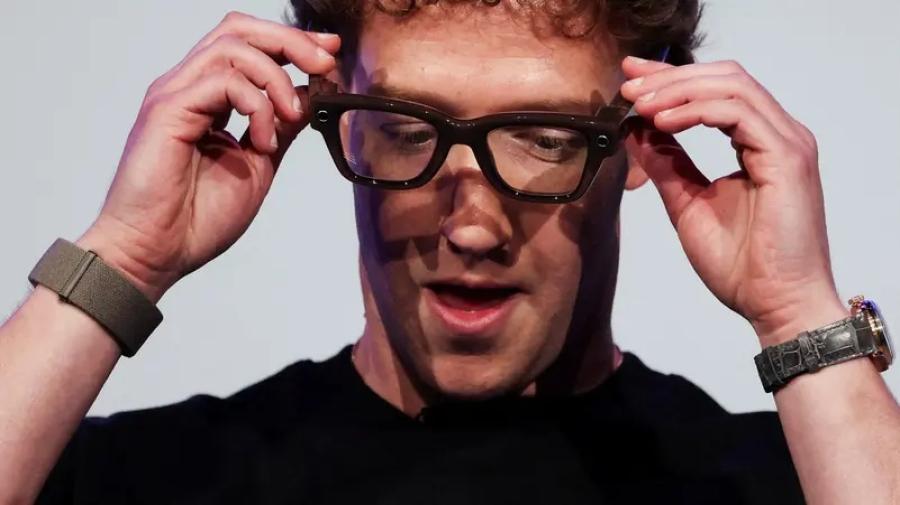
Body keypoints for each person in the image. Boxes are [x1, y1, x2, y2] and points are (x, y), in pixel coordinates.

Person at [0, 0, 897, 503]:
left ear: (645, 138)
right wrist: (126, 252)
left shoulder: (789, 483)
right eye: (404, 127)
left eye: (544, 137)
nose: (471, 227)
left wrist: (797, 311)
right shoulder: (158, 481)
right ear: (329, 114)